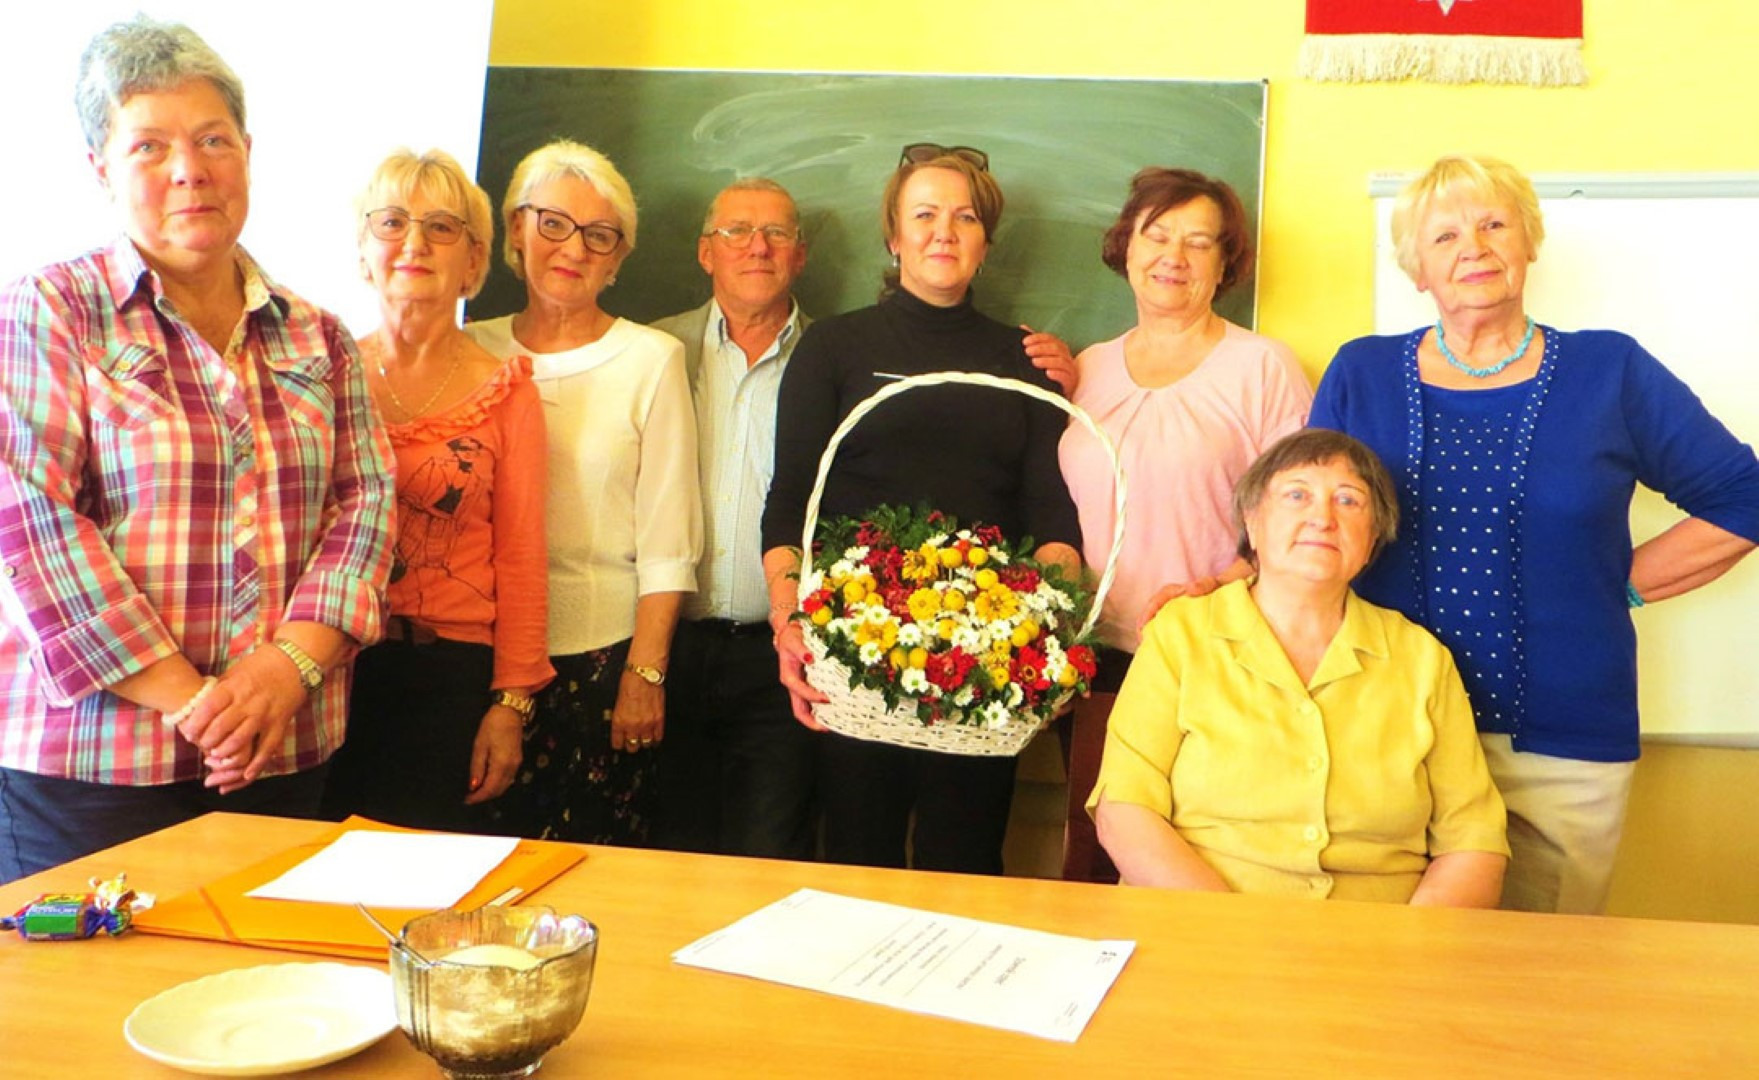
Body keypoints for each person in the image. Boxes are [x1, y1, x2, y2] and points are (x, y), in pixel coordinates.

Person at [1309, 154, 1759, 914]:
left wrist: (1613, 584)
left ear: (1528, 243)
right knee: (1386, 955)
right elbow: (1303, 524)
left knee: (1544, 961)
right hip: (1383, 727)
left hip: (1564, 738)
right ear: (1416, 270)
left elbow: (1742, 497)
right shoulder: (1362, 372)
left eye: (1494, 224)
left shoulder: (1609, 369)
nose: (1474, 248)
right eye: (1445, 236)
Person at [0, 17, 394, 881]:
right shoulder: (48, 311)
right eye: (150, 145)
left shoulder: (318, 335)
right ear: (101, 167)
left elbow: (364, 507)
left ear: (247, 152)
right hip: (92, 769)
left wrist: (285, 670)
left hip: (282, 748)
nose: (190, 169)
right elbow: (29, 523)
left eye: (213, 139)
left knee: (265, 969)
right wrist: (202, 704)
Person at [761, 143, 1083, 875]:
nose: (944, 231)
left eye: (965, 218)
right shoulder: (833, 348)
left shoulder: (1024, 359)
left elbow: (1050, 513)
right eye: (925, 215)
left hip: (985, 664)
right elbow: (790, 501)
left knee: (964, 863)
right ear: (893, 236)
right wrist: (788, 622)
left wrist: (1053, 637)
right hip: (853, 653)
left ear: (985, 242)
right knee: (857, 859)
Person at [1089, 429, 1509, 905]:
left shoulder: (1422, 658)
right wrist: (1226, 930)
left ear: (1372, 539)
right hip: (1199, 925)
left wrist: (1410, 944)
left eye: (1349, 500)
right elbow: (1124, 810)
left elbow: (1473, 840)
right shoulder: (1180, 633)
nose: (1322, 518)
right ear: (1252, 522)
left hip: (1378, 937)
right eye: (1297, 495)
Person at [1056, 167, 1312, 881]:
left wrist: (1221, 584)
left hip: (1213, 653)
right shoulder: (1087, 367)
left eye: (1199, 243)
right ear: (1127, 246)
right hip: (1094, 660)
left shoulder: (1261, 367)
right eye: (1157, 235)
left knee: (1195, 861)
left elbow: (1301, 513)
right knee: (1096, 855)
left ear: (1225, 264)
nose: (1174, 255)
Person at [466, 139, 701, 845]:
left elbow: (668, 538)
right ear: (515, 227)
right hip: (478, 656)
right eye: (553, 223)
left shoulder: (651, 358)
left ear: (618, 257)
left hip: (602, 663)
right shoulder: (469, 349)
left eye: (600, 235)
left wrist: (646, 674)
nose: (573, 248)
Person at [319, 149, 551, 834]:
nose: (414, 243)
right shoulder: (318, 374)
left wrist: (510, 704)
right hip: (323, 667)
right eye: (392, 222)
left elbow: (520, 556)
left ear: (474, 261)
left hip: (446, 679)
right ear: (364, 251)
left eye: (441, 227)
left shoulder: (507, 391)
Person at [649, 179, 818, 859]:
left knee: (768, 857)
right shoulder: (656, 349)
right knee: (667, 851)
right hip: (665, 647)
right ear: (704, 252)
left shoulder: (834, 358)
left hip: (781, 654)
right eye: (737, 231)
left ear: (800, 255)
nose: (757, 247)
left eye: (776, 233)